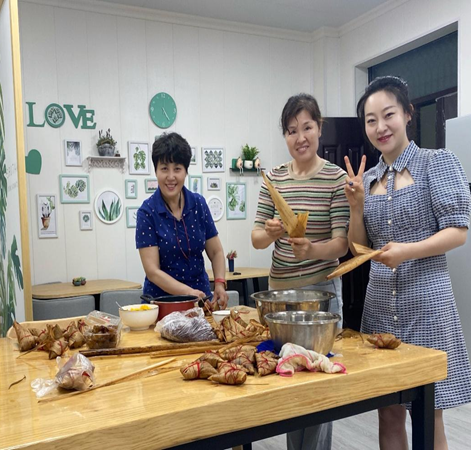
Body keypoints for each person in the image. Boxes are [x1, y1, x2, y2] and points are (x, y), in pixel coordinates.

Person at [345, 75, 471, 450]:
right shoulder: (367, 180)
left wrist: (406, 250)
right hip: (379, 310)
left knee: (428, 414)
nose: (380, 127)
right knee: (388, 411)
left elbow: (458, 231)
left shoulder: (436, 163)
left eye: (389, 115)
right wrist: (356, 208)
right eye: (371, 120)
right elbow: (358, 250)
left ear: (407, 114)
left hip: (427, 306)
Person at [251, 93, 349, 450]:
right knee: (289, 381)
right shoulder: (274, 178)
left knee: (320, 386)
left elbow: (342, 244)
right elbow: (256, 238)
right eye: (291, 130)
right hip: (280, 298)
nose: (300, 137)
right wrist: (271, 232)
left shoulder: (336, 178)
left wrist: (312, 250)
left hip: (322, 296)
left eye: (307, 127)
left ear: (319, 128)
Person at [136, 132, 228, 310]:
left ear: (186, 171)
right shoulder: (147, 213)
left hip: (201, 304)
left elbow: (216, 251)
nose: (171, 177)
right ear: (156, 171)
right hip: (162, 306)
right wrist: (188, 292)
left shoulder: (199, 204)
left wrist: (219, 283)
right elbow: (153, 272)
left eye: (177, 169)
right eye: (164, 168)